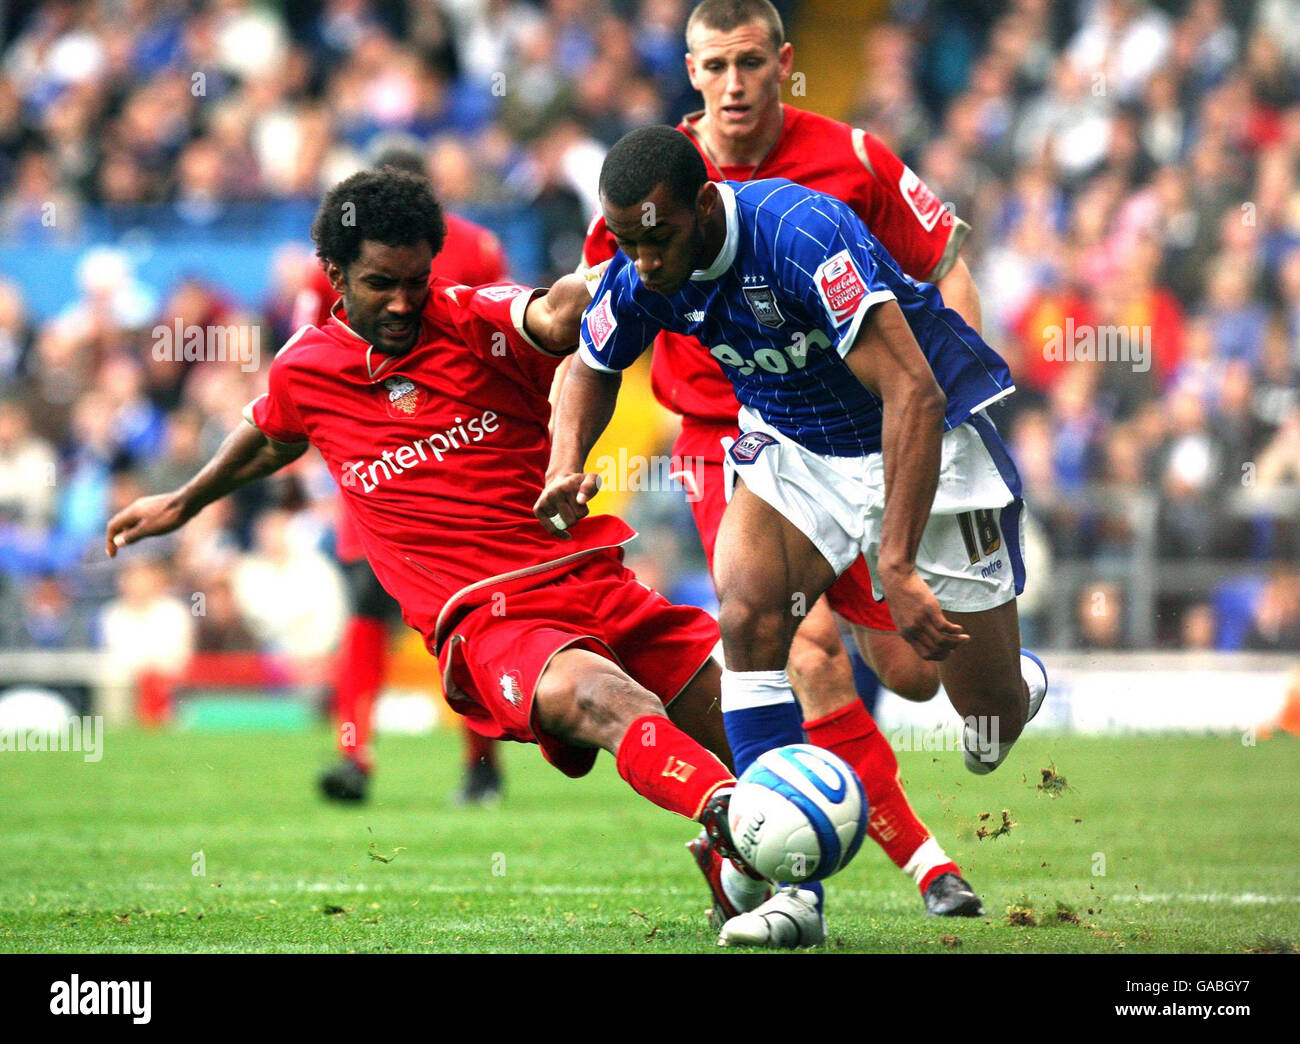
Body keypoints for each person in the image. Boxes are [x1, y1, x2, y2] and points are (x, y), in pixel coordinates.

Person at [106, 168, 756, 928]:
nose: (404, 302)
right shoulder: (308, 370)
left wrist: (582, 290)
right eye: (382, 283)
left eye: (417, 280)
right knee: (604, 699)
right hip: (491, 619)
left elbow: (544, 320)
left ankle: (746, 854)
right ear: (335, 276)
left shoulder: (470, 316)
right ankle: (732, 818)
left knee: (754, 730)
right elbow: (269, 432)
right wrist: (186, 499)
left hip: (589, 576)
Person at [538, 126, 1049, 946]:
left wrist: (897, 563)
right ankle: (792, 892)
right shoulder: (644, 268)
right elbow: (593, 363)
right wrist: (568, 461)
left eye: (657, 239)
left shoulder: (804, 236)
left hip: (928, 437)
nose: (645, 262)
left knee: (982, 719)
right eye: (628, 242)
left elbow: (912, 394)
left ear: (706, 204)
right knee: (747, 615)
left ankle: (1013, 686)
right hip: (798, 446)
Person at [578, 0, 982, 924]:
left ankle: (994, 685)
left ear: (785, 63)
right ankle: (865, 873)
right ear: (690, 71)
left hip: (853, 427)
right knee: (797, 645)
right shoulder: (653, 179)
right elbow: (599, 304)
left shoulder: (854, 158)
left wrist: (952, 394)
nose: (733, 85)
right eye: (714, 66)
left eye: (751, 63)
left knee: (915, 672)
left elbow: (944, 261)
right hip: (728, 441)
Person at [299, 146, 511, 806]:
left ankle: (463, 759)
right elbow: (319, 362)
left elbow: (496, 337)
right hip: (384, 459)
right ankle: (362, 757)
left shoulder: (474, 250)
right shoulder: (479, 244)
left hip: (449, 453)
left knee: (450, 617)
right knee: (388, 606)